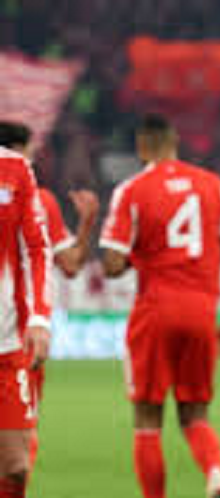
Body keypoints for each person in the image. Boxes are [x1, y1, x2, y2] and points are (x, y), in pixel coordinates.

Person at [100, 114, 220, 498]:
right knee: (195, 413)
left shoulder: (132, 190)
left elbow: (112, 265)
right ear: (175, 142)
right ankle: (216, 475)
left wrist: (142, 253)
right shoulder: (212, 185)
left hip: (155, 311)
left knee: (147, 419)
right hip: (202, 311)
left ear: (141, 147)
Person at [0, 120, 99, 474]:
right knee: (24, 437)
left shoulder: (31, 193)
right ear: (18, 148)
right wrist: (86, 226)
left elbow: (53, 258)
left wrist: (39, 318)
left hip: (17, 331)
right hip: (24, 328)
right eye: (31, 150)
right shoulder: (43, 199)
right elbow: (71, 264)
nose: (35, 157)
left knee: (16, 456)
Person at [0, 135, 52, 498]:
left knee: (16, 468)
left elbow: (36, 247)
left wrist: (39, 317)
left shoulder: (15, 167)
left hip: (7, 341)